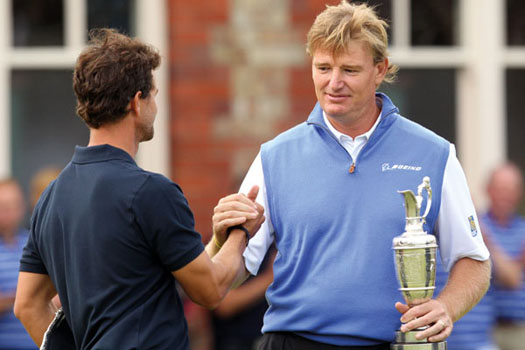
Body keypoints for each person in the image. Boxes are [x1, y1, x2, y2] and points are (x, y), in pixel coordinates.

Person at [213, 2, 491, 349]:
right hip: (291, 342)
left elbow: (474, 260)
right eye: (323, 67)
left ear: (380, 69)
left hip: (393, 343)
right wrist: (220, 240)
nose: (334, 83)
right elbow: (233, 271)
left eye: (349, 69)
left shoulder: (434, 154)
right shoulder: (274, 156)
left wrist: (446, 307)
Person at [14, 28, 264, 350]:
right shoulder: (151, 191)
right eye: (154, 95)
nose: (156, 107)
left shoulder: (51, 196)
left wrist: (217, 240)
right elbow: (210, 290)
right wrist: (242, 231)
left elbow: (27, 305)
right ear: (136, 102)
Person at [481, 163, 525, 350]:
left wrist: (488, 243)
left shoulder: (522, 229)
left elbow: (512, 278)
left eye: (510, 189)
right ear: (488, 190)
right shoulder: (477, 225)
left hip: (518, 329)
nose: (505, 195)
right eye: (500, 189)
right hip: (486, 329)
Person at [0, 179, 36, 349]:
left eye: (16, 205)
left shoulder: (33, 242)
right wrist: (20, 297)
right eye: (5, 207)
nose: (11, 213)